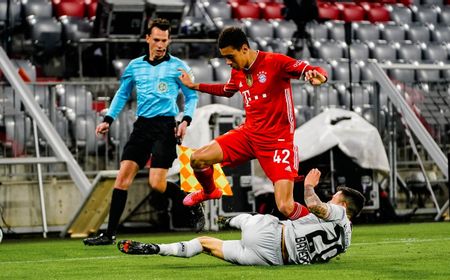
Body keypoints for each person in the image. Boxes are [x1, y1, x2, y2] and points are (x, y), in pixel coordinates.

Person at [177, 26, 328, 220]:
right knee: (197, 159)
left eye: (231, 56)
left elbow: (311, 69)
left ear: (244, 49)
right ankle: (209, 192)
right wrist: (194, 86)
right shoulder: (238, 71)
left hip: (277, 143)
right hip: (248, 136)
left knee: (285, 206)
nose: (228, 62)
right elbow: (227, 89)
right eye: (225, 57)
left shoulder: (275, 62)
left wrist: (319, 76)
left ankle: (323, 224)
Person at [83, 18, 204, 246]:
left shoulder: (178, 67)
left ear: (169, 41)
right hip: (142, 127)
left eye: (165, 41)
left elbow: (191, 96)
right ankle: (109, 235)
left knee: (156, 184)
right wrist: (108, 118)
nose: (160, 45)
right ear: (147, 38)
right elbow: (122, 94)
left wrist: (185, 120)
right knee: (122, 179)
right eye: (156, 39)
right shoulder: (135, 66)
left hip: (165, 127)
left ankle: (193, 202)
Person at [117, 168, 366, 265]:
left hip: (271, 235)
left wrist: (310, 187)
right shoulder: (346, 241)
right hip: (270, 260)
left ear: (344, 204)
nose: (332, 199)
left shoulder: (339, 212)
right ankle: (156, 248)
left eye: (334, 196)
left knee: (250, 219)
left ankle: (227, 220)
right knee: (206, 244)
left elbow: (315, 206)